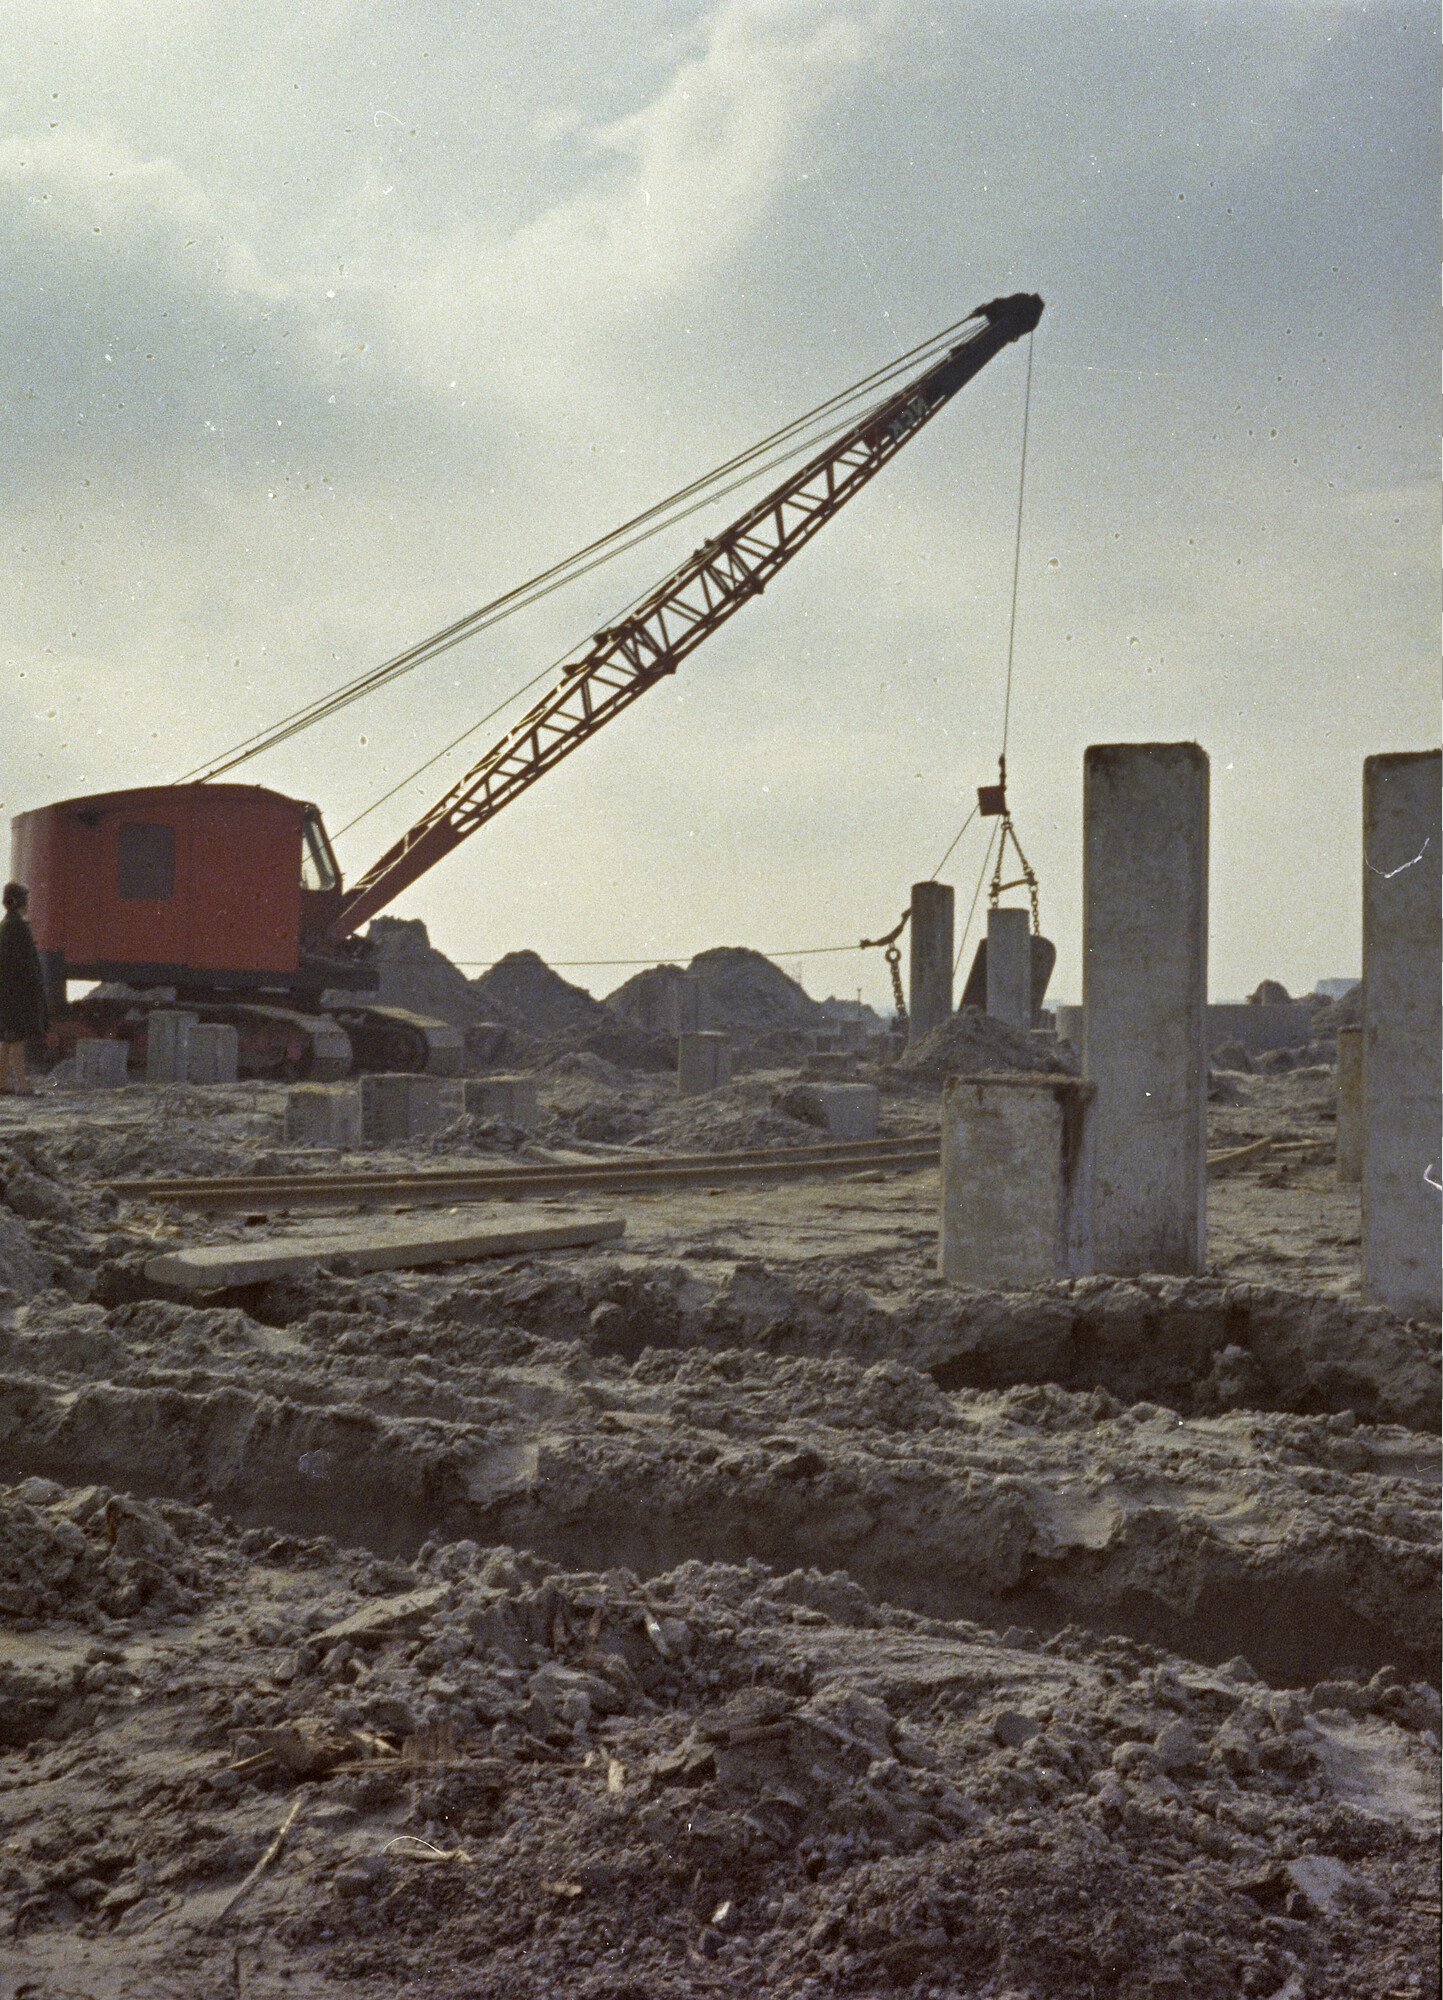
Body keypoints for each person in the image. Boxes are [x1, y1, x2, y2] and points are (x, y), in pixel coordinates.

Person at [0, 882, 47, 1095]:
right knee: (18, 1039)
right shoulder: (19, 927)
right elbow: (26, 964)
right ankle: (22, 1085)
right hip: (18, 993)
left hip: (6, 992)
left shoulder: (5, 925)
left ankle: (3, 1082)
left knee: (7, 1040)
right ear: (21, 902)